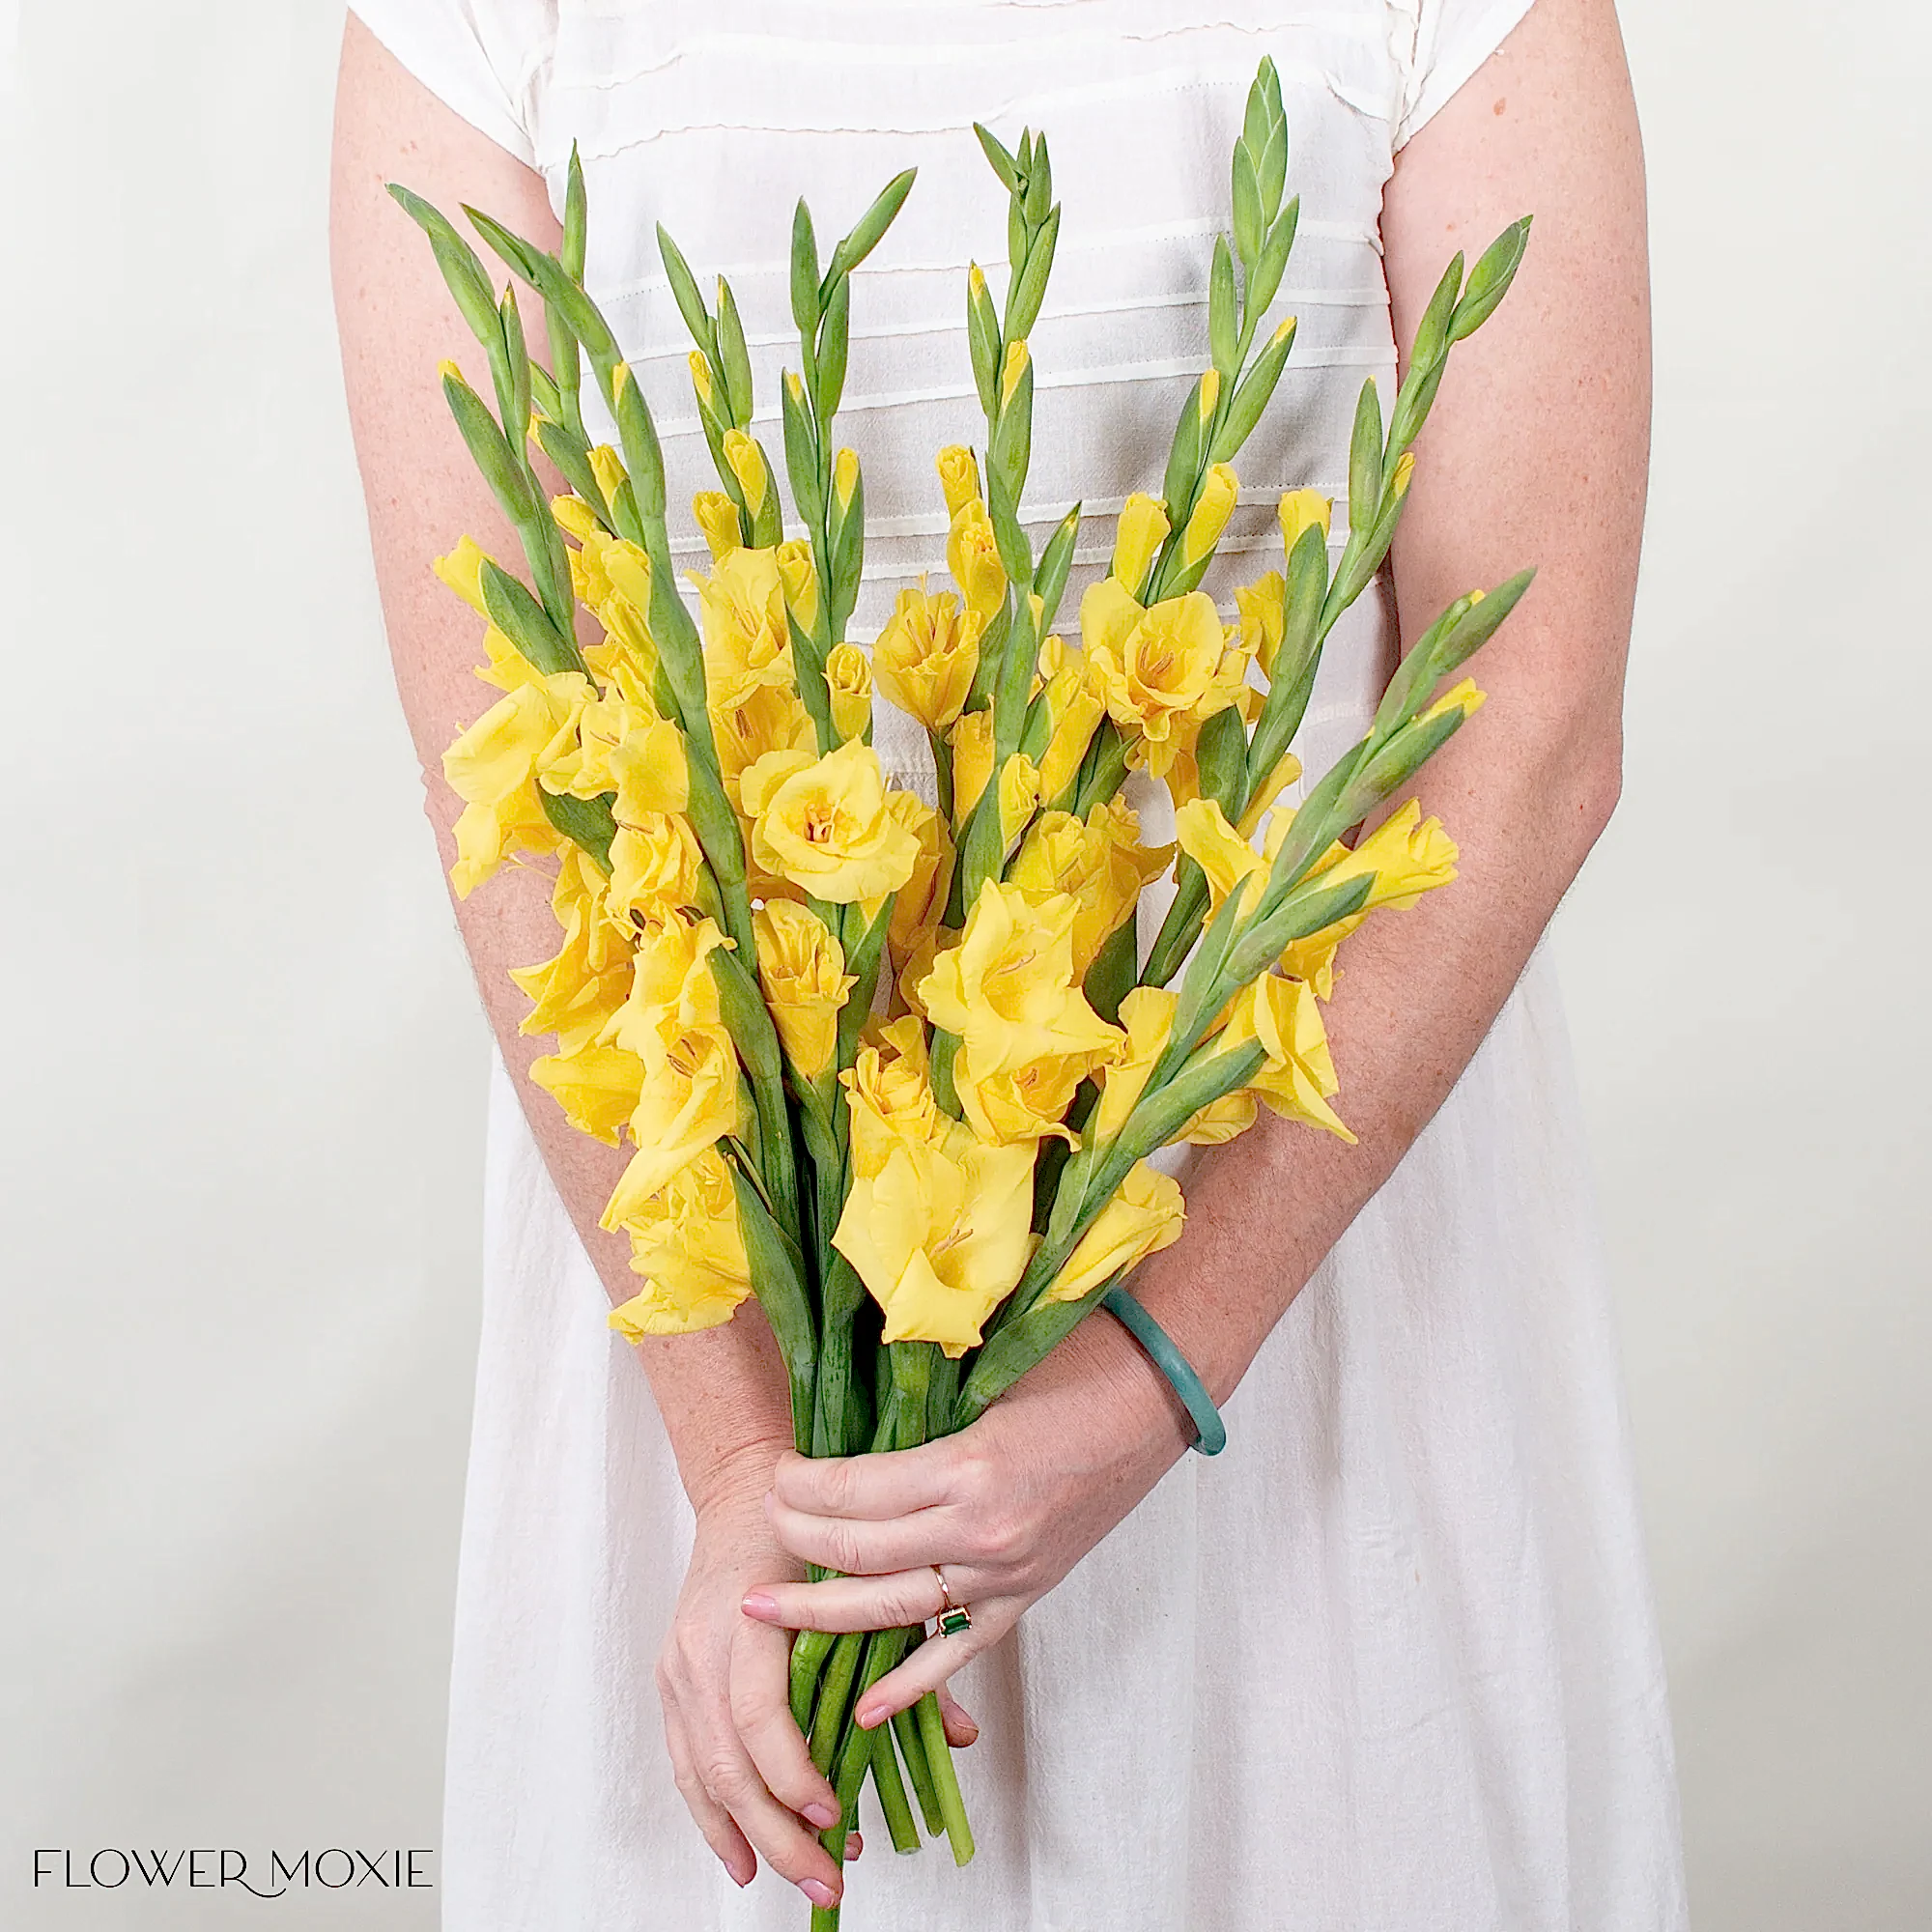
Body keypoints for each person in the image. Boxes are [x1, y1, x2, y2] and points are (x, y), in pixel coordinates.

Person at [331, 1, 1683, 1924]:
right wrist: (751, 1474)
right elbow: (522, 771)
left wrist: (1145, 1368)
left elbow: (1525, 720)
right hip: (722, 1266)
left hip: (1268, 1212)